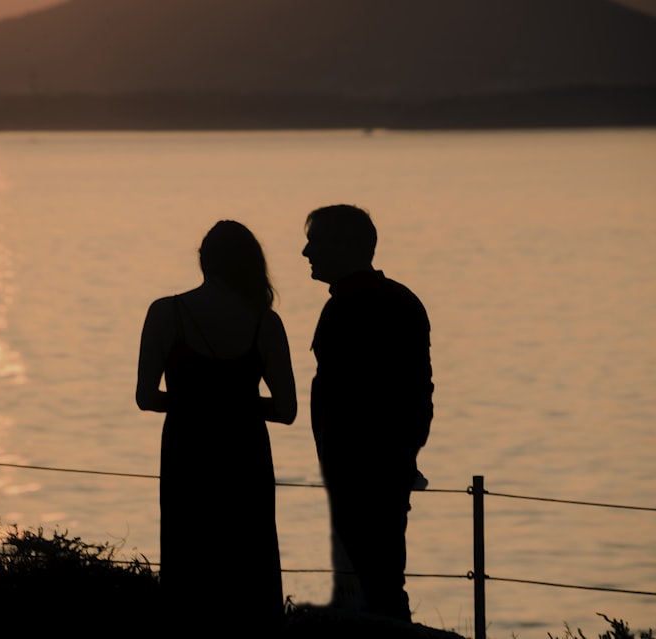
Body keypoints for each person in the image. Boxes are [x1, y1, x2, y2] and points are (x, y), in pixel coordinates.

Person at [136, 220, 297, 629]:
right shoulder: (267, 323)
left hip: (186, 452)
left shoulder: (165, 313)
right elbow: (286, 409)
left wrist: (196, 401)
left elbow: (146, 397)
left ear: (203, 261)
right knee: (248, 561)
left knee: (189, 559)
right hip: (245, 455)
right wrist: (235, 403)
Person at [301, 204, 434, 622]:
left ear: (345, 246)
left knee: (370, 582)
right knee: (379, 578)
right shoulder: (401, 300)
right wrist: (405, 454)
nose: (306, 252)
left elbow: (354, 397)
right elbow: (420, 393)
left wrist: (364, 462)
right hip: (382, 465)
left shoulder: (350, 307)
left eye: (315, 241)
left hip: (359, 469)